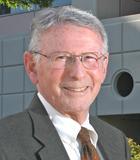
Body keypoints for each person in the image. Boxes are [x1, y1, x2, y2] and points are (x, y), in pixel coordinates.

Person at [0, 6, 130, 160]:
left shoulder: (116, 141)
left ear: (104, 66)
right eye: (61, 57)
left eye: (89, 57)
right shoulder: (5, 143)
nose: (77, 73)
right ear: (32, 67)